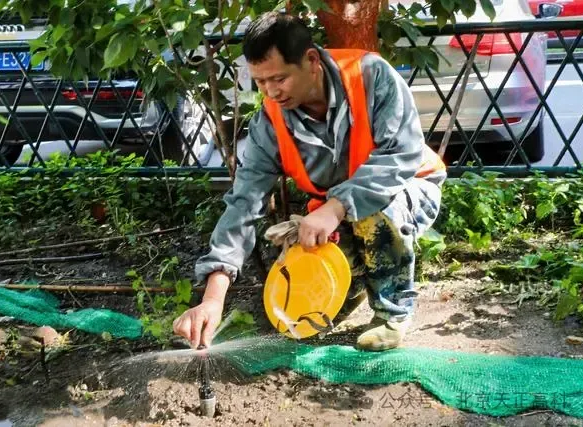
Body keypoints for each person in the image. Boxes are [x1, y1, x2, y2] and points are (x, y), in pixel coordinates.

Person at [173, 11, 446, 351]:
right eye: (260, 82)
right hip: (336, 214)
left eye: (279, 79)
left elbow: (400, 156)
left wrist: (335, 207)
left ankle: (392, 312)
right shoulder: (270, 123)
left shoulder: (371, 76)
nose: (271, 92)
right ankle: (364, 278)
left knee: (378, 213)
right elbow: (244, 201)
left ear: (312, 60)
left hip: (407, 189)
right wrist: (213, 296)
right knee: (302, 318)